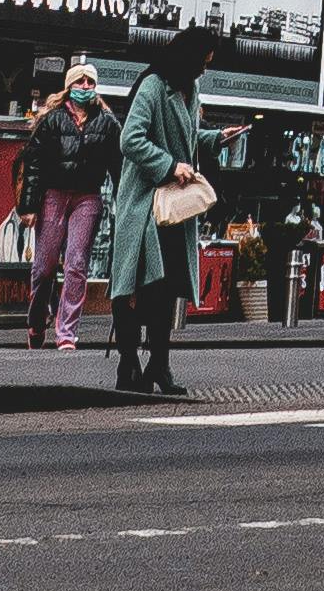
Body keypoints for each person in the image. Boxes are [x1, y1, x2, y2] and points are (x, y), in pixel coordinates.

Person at [103, 50, 205, 400]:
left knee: (165, 288)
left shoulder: (190, 90)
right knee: (133, 288)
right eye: (202, 60)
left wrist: (216, 138)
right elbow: (130, 139)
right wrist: (170, 165)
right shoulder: (152, 87)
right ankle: (128, 362)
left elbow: (188, 137)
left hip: (173, 209)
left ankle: (158, 364)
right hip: (145, 203)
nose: (204, 68)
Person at [21, 62, 115, 351]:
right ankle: (37, 321)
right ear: (69, 85)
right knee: (44, 267)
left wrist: (125, 203)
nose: (86, 86)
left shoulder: (107, 122)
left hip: (87, 196)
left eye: (90, 82)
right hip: (53, 194)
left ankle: (67, 333)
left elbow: (120, 164)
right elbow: (33, 164)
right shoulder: (52, 120)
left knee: (76, 264)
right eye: (80, 82)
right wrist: (29, 206)